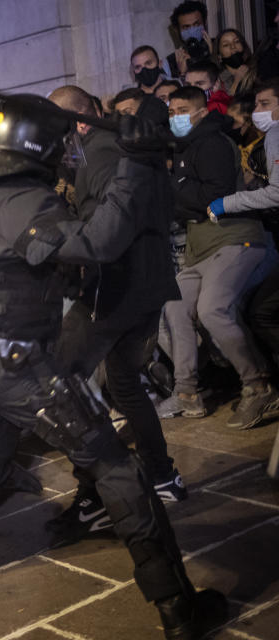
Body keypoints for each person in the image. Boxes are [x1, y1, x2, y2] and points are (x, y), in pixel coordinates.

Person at [0, 92, 227, 639]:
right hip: (15, 365)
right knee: (116, 469)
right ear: (44, 147)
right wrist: (136, 161)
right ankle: (177, 608)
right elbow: (97, 243)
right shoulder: (17, 197)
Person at [45, 86, 185, 549]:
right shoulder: (118, 150)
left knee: (63, 382)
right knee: (124, 383)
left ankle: (98, 495)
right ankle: (162, 476)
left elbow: (110, 228)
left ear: (80, 122)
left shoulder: (102, 153)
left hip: (115, 290)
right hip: (144, 286)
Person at [161, 85, 279, 428]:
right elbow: (186, 199)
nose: (175, 117)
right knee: (174, 305)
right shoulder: (187, 146)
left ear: (200, 111)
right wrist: (181, 193)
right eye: (171, 111)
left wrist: (176, 190)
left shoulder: (210, 143)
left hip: (234, 239)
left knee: (213, 308)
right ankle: (186, 392)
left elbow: (210, 195)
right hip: (202, 245)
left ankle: (258, 385)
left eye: (181, 110)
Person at [209, 80, 279, 367]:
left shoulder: (276, 133)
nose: (257, 112)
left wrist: (226, 203)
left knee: (262, 311)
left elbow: (277, 192)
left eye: (265, 104)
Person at [167, 1, 214, 79]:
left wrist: (212, 57)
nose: (192, 30)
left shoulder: (220, 46)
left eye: (196, 24)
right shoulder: (171, 62)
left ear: (204, 23)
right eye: (186, 27)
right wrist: (182, 73)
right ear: (177, 30)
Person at [217, 29, 254, 96]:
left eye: (236, 42)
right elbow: (226, 103)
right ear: (219, 56)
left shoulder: (255, 69)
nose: (233, 47)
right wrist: (237, 81)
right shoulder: (218, 79)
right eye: (226, 45)